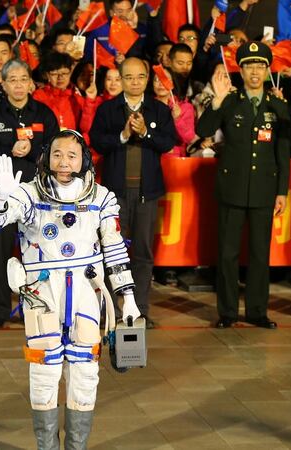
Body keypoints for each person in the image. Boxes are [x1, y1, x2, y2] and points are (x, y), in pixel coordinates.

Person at [0, 130, 140, 450]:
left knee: (85, 372)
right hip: (42, 294)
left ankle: (76, 446)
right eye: (57, 154)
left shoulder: (101, 197)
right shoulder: (27, 193)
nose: (64, 162)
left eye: (72, 156)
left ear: (84, 160)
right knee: (43, 372)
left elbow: (115, 249)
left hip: (86, 291)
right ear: (46, 157)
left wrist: (128, 298)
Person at [196, 42, 291, 329]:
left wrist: (282, 191)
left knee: (261, 254)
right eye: (248, 65)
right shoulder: (229, 100)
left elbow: (283, 152)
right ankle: (227, 312)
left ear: (267, 69)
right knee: (227, 253)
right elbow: (202, 131)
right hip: (232, 187)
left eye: (260, 65)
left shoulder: (277, 106)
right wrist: (216, 102)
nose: (254, 71)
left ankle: (257, 311)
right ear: (240, 69)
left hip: (264, 189)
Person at [89, 57, 176, 329]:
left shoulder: (159, 110)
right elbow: (97, 142)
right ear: (121, 79)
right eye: (129, 77)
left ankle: (139, 310)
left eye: (140, 77)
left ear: (147, 78)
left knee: (143, 254)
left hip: (146, 194)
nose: (135, 82)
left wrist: (145, 134)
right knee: (111, 254)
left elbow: (168, 142)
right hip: (115, 196)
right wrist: (124, 135)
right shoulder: (108, 110)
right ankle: (109, 311)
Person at [0, 59, 58, 328]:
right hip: (4, 198)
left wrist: (32, 151)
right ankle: (0, 311)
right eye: (13, 80)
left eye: (23, 79)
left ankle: (33, 307)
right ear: (4, 83)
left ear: (30, 82)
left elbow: (55, 150)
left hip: (37, 197)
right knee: (0, 254)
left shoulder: (44, 114)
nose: (19, 85)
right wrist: (9, 148)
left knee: (35, 252)